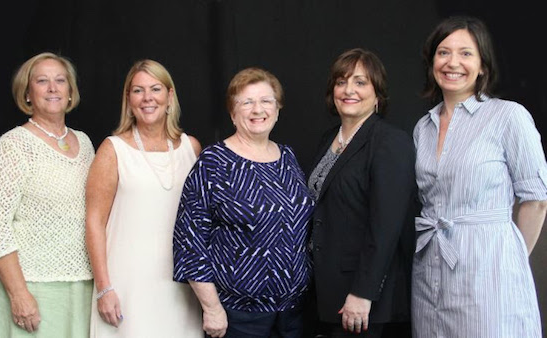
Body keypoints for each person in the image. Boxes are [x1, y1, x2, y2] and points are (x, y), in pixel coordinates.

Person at [412, 15, 547, 338]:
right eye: (443, 52)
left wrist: (506, 259)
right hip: (430, 268)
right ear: (432, 61)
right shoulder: (423, 127)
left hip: (488, 268)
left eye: (466, 53)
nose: (452, 62)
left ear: (483, 65)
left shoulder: (508, 116)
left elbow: (536, 200)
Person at [172, 67, 316, 338]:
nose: (257, 109)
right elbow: (189, 242)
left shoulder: (287, 158)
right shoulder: (214, 162)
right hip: (238, 315)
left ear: (277, 109)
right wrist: (212, 308)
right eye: (246, 102)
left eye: (265, 101)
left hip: (293, 312)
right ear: (233, 113)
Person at [0, 52, 95, 337]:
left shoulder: (86, 143)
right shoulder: (13, 146)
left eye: (60, 81)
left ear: (70, 92)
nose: (53, 88)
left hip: (81, 286)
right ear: (28, 94)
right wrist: (19, 294)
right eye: (42, 81)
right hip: (30, 287)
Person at [85, 59, 203, 337]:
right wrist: (104, 288)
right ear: (129, 99)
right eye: (138, 90)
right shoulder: (112, 149)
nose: (147, 98)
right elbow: (94, 223)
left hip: (181, 286)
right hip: (127, 284)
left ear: (170, 96)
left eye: (155, 89)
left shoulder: (192, 148)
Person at [306, 48, 417, 338]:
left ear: (377, 93)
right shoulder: (328, 139)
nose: (348, 90)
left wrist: (363, 293)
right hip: (325, 291)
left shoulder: (390, 142)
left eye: (360, 82)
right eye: (341, 82)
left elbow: (386, 228)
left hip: (361, 300)